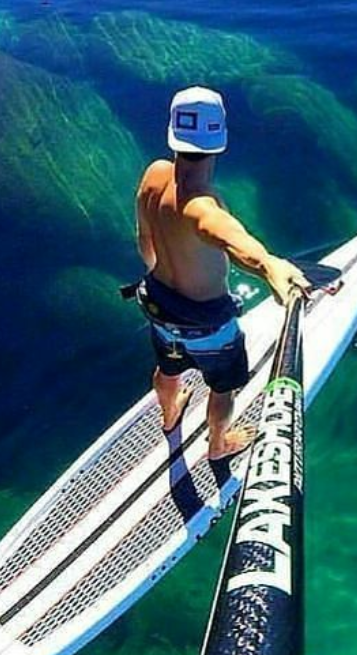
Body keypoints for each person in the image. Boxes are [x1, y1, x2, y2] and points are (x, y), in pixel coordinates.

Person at [134, 87, 312, 459]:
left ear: (173, 131)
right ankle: (218, 445)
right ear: (220, 140)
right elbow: (233, 239)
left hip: (157, 304)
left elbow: (144, 240)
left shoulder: (154, 175)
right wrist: (269, 265)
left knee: (168, 368)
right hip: (208, 328)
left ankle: (170, 415)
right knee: (222, 388)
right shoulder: (203, 206)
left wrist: (161, 278)